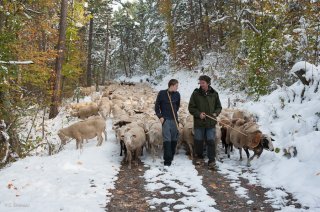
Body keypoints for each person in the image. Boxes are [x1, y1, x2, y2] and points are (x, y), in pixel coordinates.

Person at [188, 75, 222, 169]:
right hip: (199, 123)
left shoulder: (214, 94)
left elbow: (219, 107)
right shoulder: (196, 94)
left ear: (208, 83)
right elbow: (191, 107)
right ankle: (199, 158)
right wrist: (199, 114)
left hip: (210, 123)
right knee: (198, 141)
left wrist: (216, 113)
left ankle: (211, 161)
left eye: (203, 82)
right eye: (200, 82)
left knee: (211, 141)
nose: (201, 84)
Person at [155, 79, 180, 166]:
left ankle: (171, 155)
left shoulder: (177, 94)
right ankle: (167, 161)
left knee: (174, 139)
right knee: (167, 140)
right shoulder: (162, 93)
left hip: (174, 120)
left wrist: (175, 117)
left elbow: (177, 106)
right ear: (172, 85)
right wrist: (160, 117)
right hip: (165, 120)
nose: (177, 87)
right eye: (176, 86)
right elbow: (156, 107)